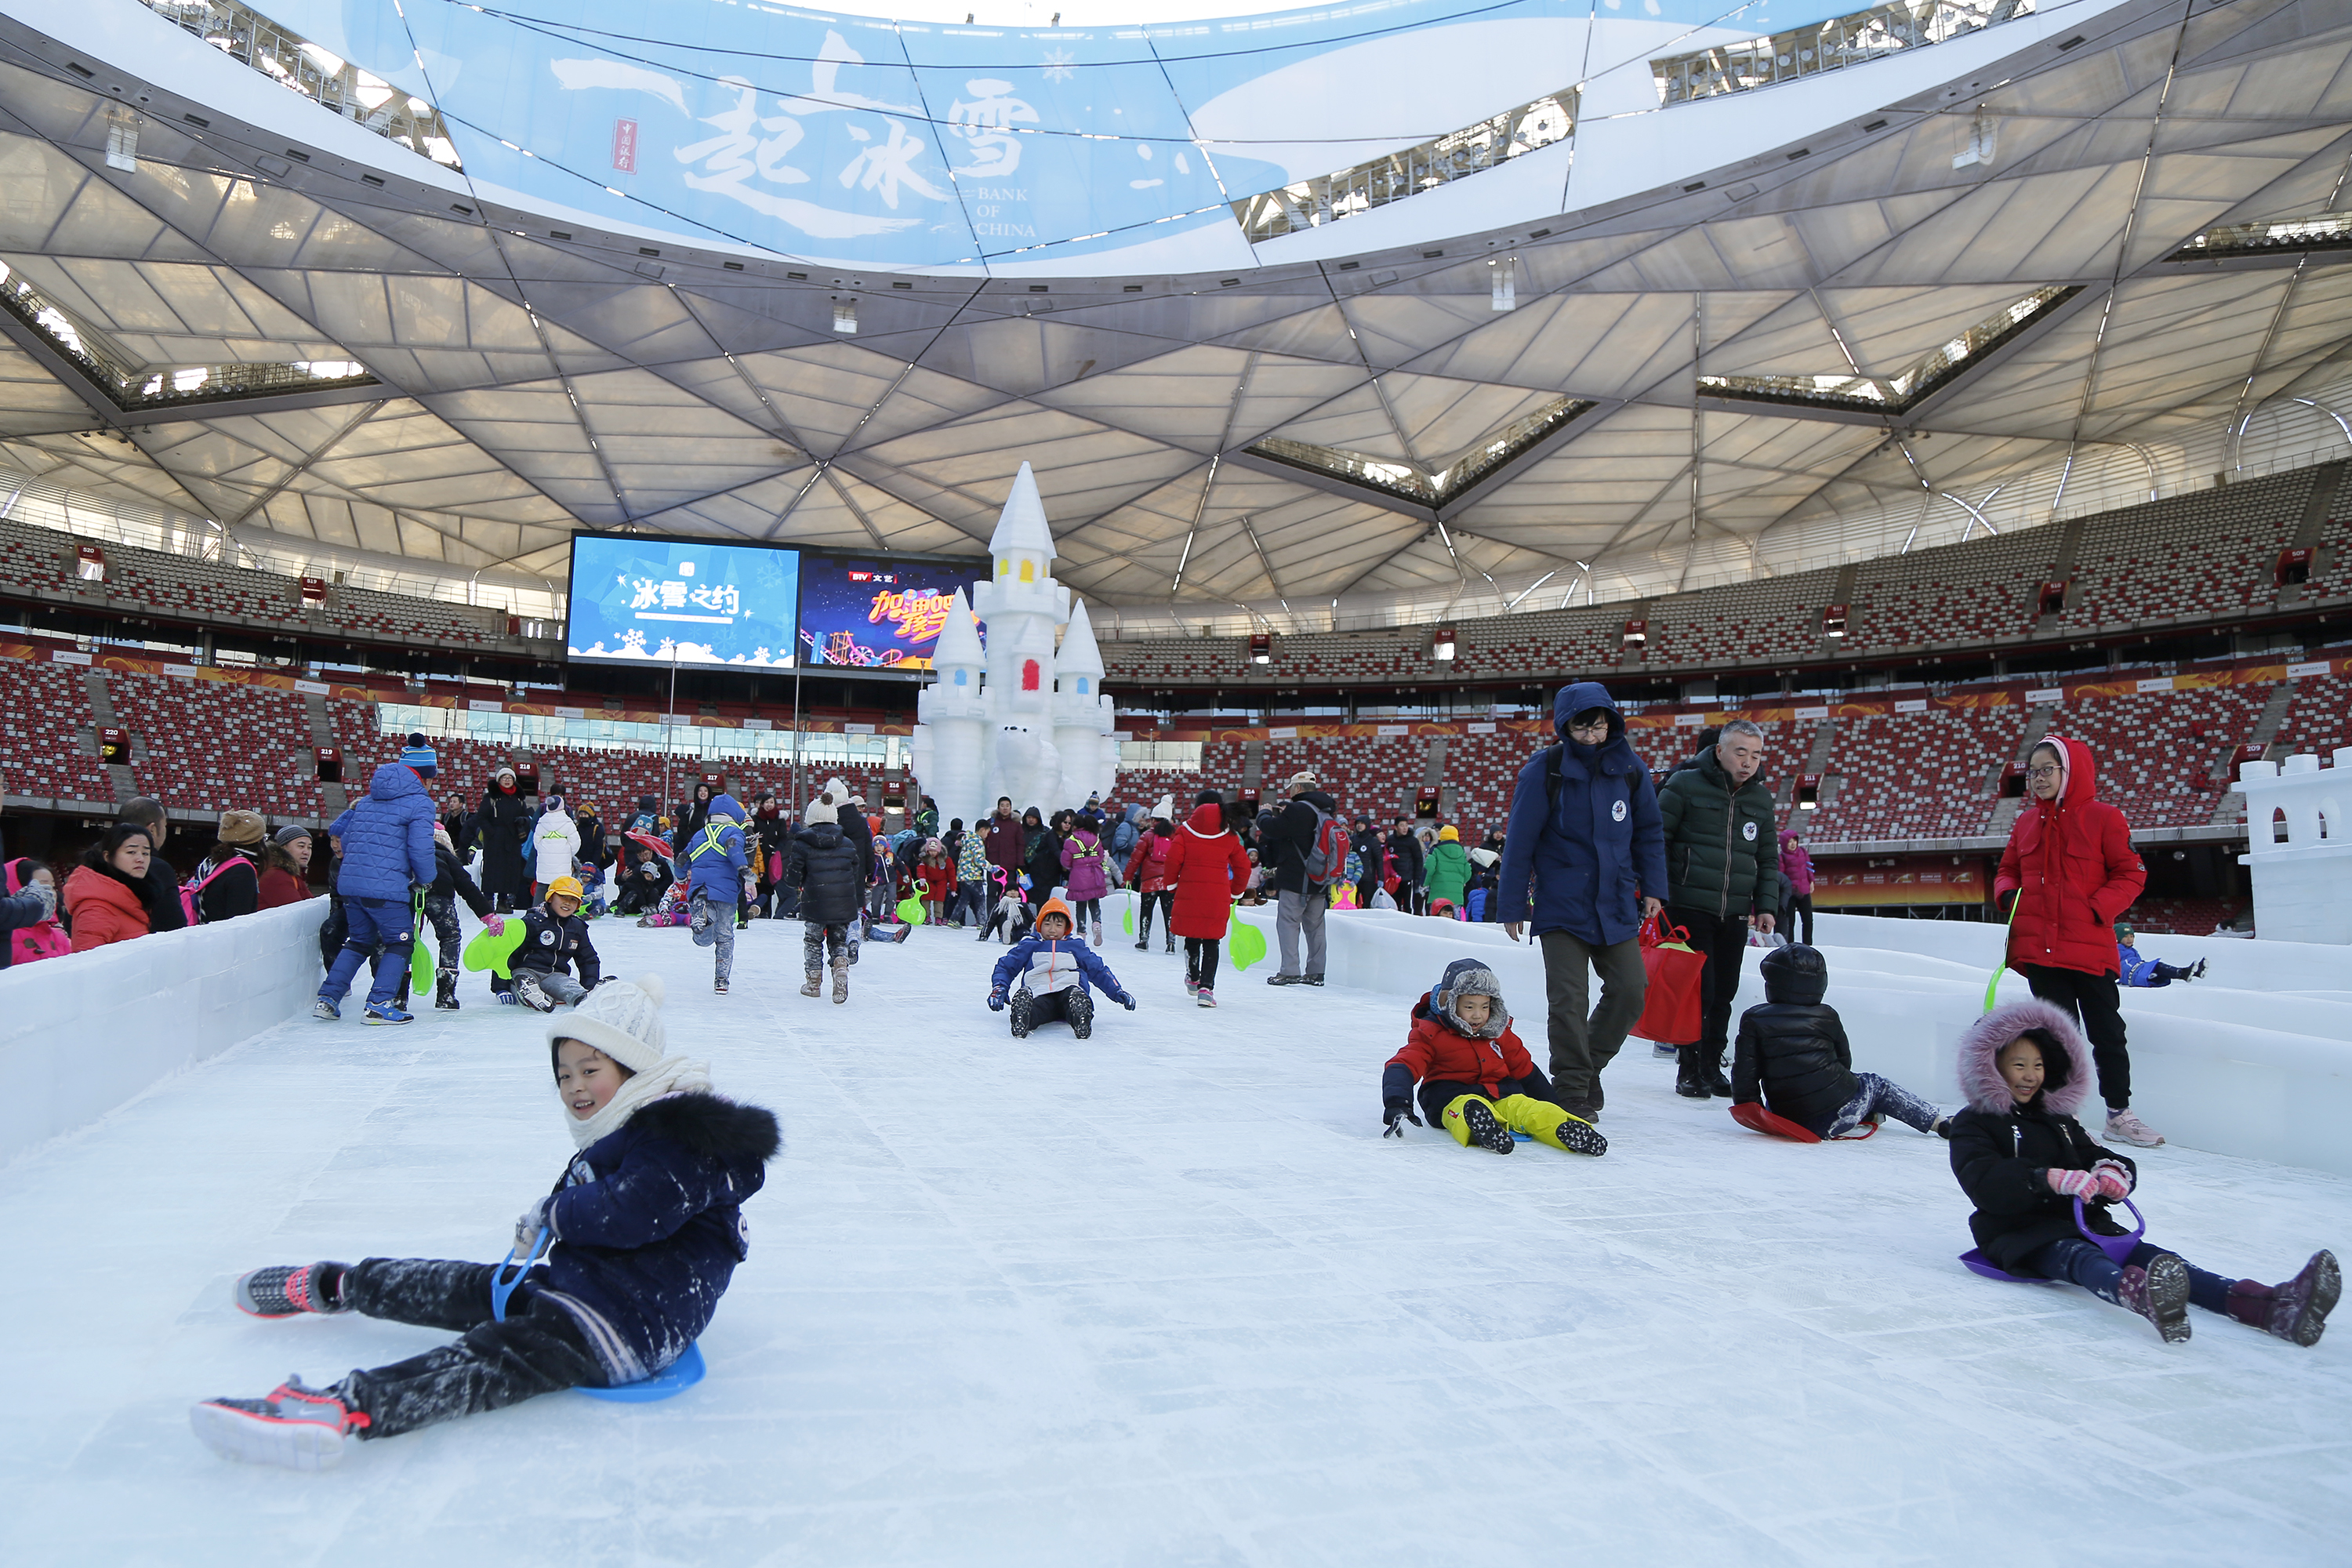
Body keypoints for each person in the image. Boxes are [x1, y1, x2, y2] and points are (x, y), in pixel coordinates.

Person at [191, 975, 780, 1470]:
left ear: (632, 1068)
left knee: (495, 1354)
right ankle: (341, 1283)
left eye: (589, 1069)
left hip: (628, 1325)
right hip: (588, 1292)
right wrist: (549, 1218)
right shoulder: (628, 1130)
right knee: (473, 1285)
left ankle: (342, 1408)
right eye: (564, 1074)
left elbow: (633, 1213)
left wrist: (555, 1213)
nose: (575, 1087)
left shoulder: (680, 1138)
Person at [1947, 1000, 2337, 1346]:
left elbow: (2092, 1153)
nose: (2031, 1075)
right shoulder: (1974, 1124)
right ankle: (2139, 1295)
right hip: (2020, 1233)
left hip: (2086, 1222)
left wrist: (2112, 1171)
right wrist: (2046, 1178)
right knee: (2079, 1257)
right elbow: (1984, 1180)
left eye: (2038, 1065)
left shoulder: (2058, 1119)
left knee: (2166, 1263)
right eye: (2019, 1065)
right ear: (1992, 1066)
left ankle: (2267, 1306)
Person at [1497, 684, 1666, 1123]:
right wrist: (1512, 904)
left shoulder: (1631, 770)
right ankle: (1572, 1091)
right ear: (1566, 727)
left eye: (1600, 724)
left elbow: (1649, 832)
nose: (1593, 734)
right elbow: (1520, 840)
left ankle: (1588, 1070)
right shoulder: (1546, 769)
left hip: (1615, 903)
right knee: (1569, 1000)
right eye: (1582, 725)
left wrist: (1653, 888)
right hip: (1561, 906)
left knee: (1631, 991)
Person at [1995, 735, 2158, 1149]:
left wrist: (2098, 908)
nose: (2038, 779)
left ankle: (2119, 1114)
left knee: (2107, 1033)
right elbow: (2007, 869)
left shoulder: (2104, 818)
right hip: (2042, 952)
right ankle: (2061, 1115)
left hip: (2090, 948)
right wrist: (2008, 893)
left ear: (2071, 771)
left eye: (2048, 769)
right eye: (2033, 772)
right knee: (2056, 1038)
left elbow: (2131, 873)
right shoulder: (2026, 822)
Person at [1658, 717, 1780, 1100]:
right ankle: (1689, 1067)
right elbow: (1655, 839)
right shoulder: (1684, 784)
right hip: (1687, 906)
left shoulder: (1760, 799)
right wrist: (1656, 893)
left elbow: (1767, 856)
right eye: (1741, 752)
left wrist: (1767, 905)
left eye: (1756, 755)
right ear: (1720, 750)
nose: (1748, 762)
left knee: (1724, 991)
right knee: (1699, 991)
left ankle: (1712, 1065)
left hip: (1734, 912)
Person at [1379, 960, 1606, 1156]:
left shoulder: (1499, 1033)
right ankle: (1482, 1127)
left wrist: (1552, 1103)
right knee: (1467, 1106)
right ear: (1450, 1002)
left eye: (1485, 1006)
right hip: (1449, 1096)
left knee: (1527, 1107)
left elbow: (1525, 1070)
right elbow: (1403, 1065)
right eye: (1469, 1006)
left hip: (1501, 1092)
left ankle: (1567, 1128)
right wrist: (1398, 1102)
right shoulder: (1431, 1033)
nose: (1478, 1015)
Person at [1731, 945, 1948, 1138]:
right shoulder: (1827, 1015)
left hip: (1788, 1117)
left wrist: (1755, 1113)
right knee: (1876, 1085)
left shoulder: (1754, 1018)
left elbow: (1745, 1074)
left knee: (1790, 1086)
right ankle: (1939, 1122)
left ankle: (1867, 1112)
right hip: (1836, 1114)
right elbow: (1844, 1059)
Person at [315, 742, 439, 1025]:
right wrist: (426, 880)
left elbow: (345, 839)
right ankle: (379, 1004)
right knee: (400, 942)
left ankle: (328, 998)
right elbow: (421, 849)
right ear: (425, 776)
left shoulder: (368, 800)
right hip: (386, 889)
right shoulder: (421, 803)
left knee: (358, 941)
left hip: (352, 885)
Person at [987, 897, 1137, 1038]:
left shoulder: (1075, 945)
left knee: (1073, 998)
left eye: (1058, 925)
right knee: (1038, 1008)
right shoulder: (1030, 944)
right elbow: (1006, 966)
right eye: (1047, 924)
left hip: (1069, 989)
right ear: (1039, 925)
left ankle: (1081, 1017)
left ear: (1066, 927)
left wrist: (1116, 991)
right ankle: (1023, 1018)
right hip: (1040, 991)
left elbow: (1097, 969)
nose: (1052, 930)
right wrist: (1000, 988)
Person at [1161, 797, 1250, 1007]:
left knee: (1192, 936)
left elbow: (1173, 860)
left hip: (1189, 891)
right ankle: (1206, 989)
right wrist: (1235, 892)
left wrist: (1172, 885)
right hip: (1217, 895)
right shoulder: (1230, 837)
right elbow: (1244, 867)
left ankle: (1193, 978)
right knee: (1212, 941)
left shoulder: (1184, 833)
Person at [1261, 771, 1341, 986]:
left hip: (1296, 878)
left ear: (1297, 788)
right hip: (1319, 878)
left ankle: (1290, 970)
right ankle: (1316, 972)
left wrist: (1264, 815)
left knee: (1288, 923)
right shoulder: (1326, 811)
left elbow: (1273, 829)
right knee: (1316, 927)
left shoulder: (1298, 809)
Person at [786, 797, 862, 1004]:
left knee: (813, 940)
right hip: (843, 902)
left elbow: (793, 874)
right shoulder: (847, 843)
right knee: (838, 940)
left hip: (815, 901)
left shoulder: (802, 843)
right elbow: (855, 872)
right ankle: (840, 966)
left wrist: (797, 881)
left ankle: (813, 983)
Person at [498, 876, 603, 1013]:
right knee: (523, 980)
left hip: (555, 975)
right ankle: (530, 993)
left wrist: (589, 986)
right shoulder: (533, 921)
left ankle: (584, 998)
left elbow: (588, 959)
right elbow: (507, 953)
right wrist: (501, 988)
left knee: (568, 985)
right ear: (551, 897)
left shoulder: (577, 927)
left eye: (573, 900)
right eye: (563, 897)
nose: (567, 903)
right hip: (526, 970)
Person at [683, 793, 750, 996]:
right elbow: (733, 849)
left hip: (701, 887)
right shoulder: (735, 833)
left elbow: (682, 858)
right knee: (725, 937)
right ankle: (721, 980)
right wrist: (743, 868)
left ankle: (704, 915)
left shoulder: (700, 834)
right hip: (726, 891)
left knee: (702, 939)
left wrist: (679, 876)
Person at [423, 822, 493, 1009]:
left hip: (410, 892)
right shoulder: (446, 856)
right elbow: (467, 887)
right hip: (440, 894)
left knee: (403, 941)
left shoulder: (411, 852)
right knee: (450, 937)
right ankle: (446, 995)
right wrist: (487, 915)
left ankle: (398, 996)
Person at [65, 823, 158, 952]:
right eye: (131, 852)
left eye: (146, 853)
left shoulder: (136, 898)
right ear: (107, 857)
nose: (140, 859)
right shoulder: (97, 908)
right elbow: (87, 964)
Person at [116, 797, 187, 932]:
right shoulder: (157, 868)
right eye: (165, 825)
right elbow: (173, 926)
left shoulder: (93, 862)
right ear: (152, 829)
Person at [189, 808, 269, 923]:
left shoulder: (210, 862)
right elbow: (238, 924)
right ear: (257, 841)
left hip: (202, 934)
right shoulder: (243, 871)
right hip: (220, 938)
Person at [1125, 797, 1176, 952]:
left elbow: (1135, 858)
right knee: (1169, 912)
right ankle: (1171, 943)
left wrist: (1128, 876)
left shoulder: (1148, 835)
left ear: (1154, 819)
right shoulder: (1177, 835)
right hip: (1169, 881)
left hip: (1149, 881)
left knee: (1146, 910)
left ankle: (1143, 940)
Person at [477, 767, 529, 913]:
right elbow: (481, 817)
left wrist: (522, 820)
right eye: (504, 778)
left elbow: (526, 817)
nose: (507, 780)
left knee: (509, 870)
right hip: (495, 840)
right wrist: (491, 833)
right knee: (492, 869)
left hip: (512, 839)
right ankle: (488, 900)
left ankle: (503, 901)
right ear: (499, 780)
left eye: (510, 778)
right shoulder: (491, 797)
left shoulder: (519, 799)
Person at [1, 855, 64, 967]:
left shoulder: (59, 937)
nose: (51, 893)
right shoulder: (6, 934)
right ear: (17, 886)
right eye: (42, 887)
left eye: (53, 887)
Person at [1060, 815, 1112, 946]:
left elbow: (1065, 861)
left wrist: (1075, 866)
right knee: (1094, 901)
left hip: (1079, 875)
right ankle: (1097, 923)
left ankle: (1081, 933)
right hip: (1095, 874)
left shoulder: (1071, 840)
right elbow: (1101, 856)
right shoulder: (1096, 839)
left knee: (1081, 904)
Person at [2117, 923, 2207, 987]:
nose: (2129, 939)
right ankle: (2183, 973)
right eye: (2125, 937)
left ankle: (2193, 973)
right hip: (2133, 974)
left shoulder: (2132, 950)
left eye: (2131, 936)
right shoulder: (2116, 949)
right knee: (2158, 966)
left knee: (2163, 977)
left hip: (2137, 975)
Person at [532, 794, 582, 906]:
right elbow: (576, 843)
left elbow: (536, 842)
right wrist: (568, 853)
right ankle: (558, 913)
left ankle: (536, 913)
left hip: (544, 864)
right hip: (562, 864)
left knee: (542, 887)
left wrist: (544, 851)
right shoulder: (567, 822)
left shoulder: (542, 821)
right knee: (561, 889)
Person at [257, 826, 314, 909]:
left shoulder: (294, 875)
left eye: (309, 848)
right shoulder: (276, 875)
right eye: (301, 846)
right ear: (283, 848)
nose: (306, 852)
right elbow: (298, 912)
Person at [1778, 828, 1815, 946]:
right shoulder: (1782, 857)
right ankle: (1790, 946)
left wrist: (1811, 881)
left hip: (1804, 891)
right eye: (1789, 841)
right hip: (1790, 894)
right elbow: (1781, 876)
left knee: (1808, 920)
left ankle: (1808, 945)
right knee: (1790, 921)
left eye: (1794, 840)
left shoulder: (1803, 851)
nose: (1793, 844)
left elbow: (1809, 867)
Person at [1422, 825, 1470, 915]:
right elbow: (1468, 872)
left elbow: (1429, 868)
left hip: (1437, 897)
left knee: (1436, 925)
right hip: (1457, 897)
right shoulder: (1462, 853)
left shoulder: (1436, 850)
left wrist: (1424, 883)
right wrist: (1460, 882)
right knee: (1455, 925)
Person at [953, 821, 992, 930]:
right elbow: (979, 859)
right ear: (982, 830)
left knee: (965, 898)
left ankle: (954, 919)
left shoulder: (967, 839)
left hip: (963, 874)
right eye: (987, 833)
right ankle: (982, 922)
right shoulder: (977, 841)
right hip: (973, 875)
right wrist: (991, 868)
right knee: (980, 898)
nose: (986, 836)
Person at [615, 845, 673, 916]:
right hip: (638, 893)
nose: (644, 858)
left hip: (655, 893)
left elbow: (669, 879)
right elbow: (618, 881)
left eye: (646, 854)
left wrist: (657, 889)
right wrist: (623, 877)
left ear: (651, 852)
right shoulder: (633, 865)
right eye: (641, 856)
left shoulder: (660, 863)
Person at [1385, 817, 1425, 917]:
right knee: (1394, 904)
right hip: (1394, 879)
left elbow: (1418, 860)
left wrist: (1417, 877)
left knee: (1408, 904)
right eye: (1402, 825)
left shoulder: (1413, 841)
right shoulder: (1390, 840)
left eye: (1406, 825)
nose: (1405, 828)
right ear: (1395, 827)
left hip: (1408, 877)